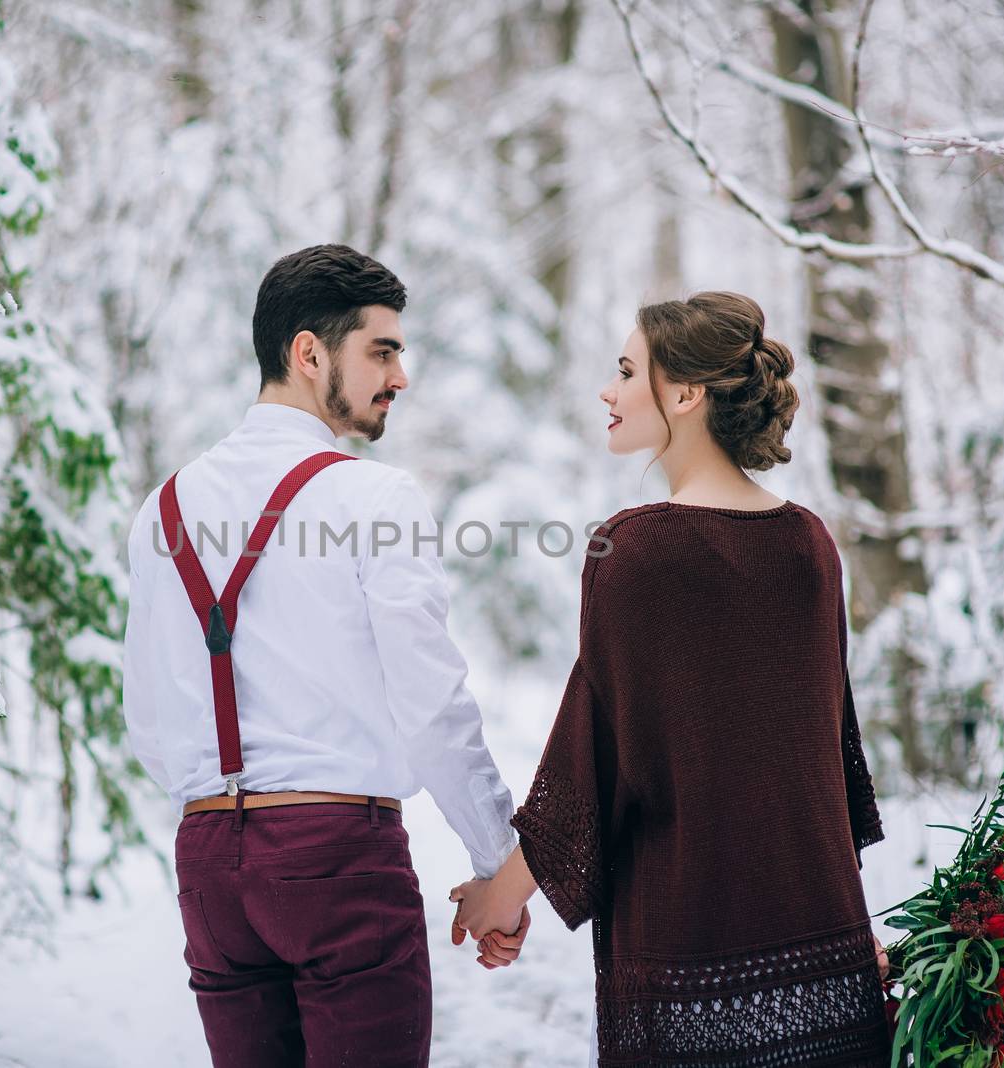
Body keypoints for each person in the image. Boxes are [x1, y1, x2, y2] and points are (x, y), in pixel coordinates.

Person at [450, 291, 893, 1067]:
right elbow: (824, 758)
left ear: (686, 395)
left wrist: (502, 895)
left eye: (626, 371)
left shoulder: (637, 551)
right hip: (826, 963)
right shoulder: (812, 546)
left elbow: (593, 766)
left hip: (690, 966)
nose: (608, 391)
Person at [122, 244, 528, 1068]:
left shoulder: (161, 509)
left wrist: (226, 813)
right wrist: (498, 863)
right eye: (382, 350)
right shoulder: (374, 497)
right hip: (339, 857)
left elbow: (150, 723)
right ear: (309, 353)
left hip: (208, 864)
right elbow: (432, 704)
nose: (400, 375)